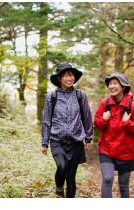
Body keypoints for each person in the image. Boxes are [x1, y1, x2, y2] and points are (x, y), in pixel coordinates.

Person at [41, 63, 93, 198]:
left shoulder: (80, 95)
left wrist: (89, 138)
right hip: (57, 140)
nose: (70, 78)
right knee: (62, 166)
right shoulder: (52, 97)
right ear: (59, 78)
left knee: (71, 177)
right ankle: (59, 189)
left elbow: (86, 117)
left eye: (71, 75)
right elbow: (47, 120)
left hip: (76, 141)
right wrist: (44, 142)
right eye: (66, 75)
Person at [94, 72, 134, 198]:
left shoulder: (133, 106)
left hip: (125, 151)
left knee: (123, 185)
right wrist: (104, 120)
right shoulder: (104, 104)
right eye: (110, 83)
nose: (112, 86)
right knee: (107, 179)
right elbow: (97, 125)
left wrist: (127, 123)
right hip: (106, 149)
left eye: (115, 83)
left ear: (123, 86)